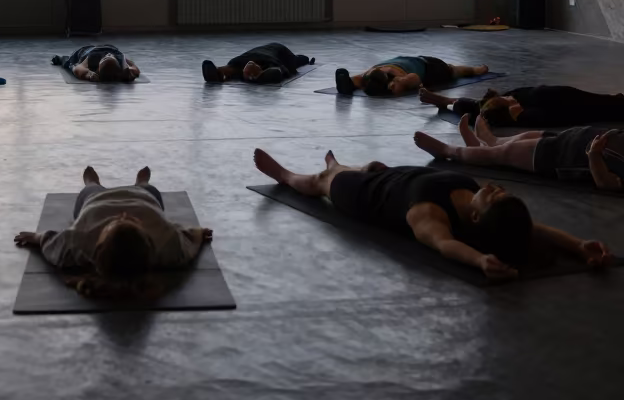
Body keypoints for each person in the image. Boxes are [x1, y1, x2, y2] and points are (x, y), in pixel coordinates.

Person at [252, 147, 612, 280]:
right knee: (372, 165)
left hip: (368, 196)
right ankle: (344, 164)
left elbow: (445, 246)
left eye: (495, 197)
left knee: (324, 180)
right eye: (500, 192)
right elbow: (534, 229)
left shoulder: (428, 216)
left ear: (476, 219)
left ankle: (286, 174)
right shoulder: (479, 203)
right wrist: (579, 245)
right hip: (400, 177)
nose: (497, 189)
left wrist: (480, 261)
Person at [14, 165, 212, 296]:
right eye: (132, 221)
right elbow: (189, 239)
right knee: (150, 188)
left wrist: (36, 237)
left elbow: (50, 242)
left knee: (91, 189)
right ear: (150, 242)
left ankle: (92, 182)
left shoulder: (78, 242)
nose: (123, 214)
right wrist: (200, 233)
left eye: (116, 222)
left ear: (98, 245)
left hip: (96, 200)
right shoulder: (167, 243)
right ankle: (141, 182)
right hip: (143, 197)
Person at [414, 115, 624, 191]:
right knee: (525, 137)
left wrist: (595, 155)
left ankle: (449, 151)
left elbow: (605, 183)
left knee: (502, 154)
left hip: (556, 158)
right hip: (568, 139)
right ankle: (490, 141)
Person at [419, 84, 624, 129]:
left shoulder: (514, 98)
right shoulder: (524, 113)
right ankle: (445, 102)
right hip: (574, 105)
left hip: (571, 98)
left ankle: (445, 101)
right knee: (469, 107)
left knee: (468, 104)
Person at [335, 55, 488, 97]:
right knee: (453, 70)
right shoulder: (375, 74)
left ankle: (474, 70)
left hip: (427, 66)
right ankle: (475, 70)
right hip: (421, 64)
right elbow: (414, 79)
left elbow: (414, 79)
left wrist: (397, 84)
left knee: (453, 70)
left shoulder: (374, 75)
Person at [201, 43, 315, 85]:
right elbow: (284, 70)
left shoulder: (272, 60)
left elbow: (281, 70)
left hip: (268, 54)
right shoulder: (280, 56)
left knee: (234, 66)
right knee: (296, 61)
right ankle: (219, 71)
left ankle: (219, 71)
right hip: (266, 56)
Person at [52, 44, 140, 83]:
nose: (108, 55)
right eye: (109, 57)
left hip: (94, 50)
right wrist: (125, 63)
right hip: (91, 50)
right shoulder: (118, 57)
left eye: (106, 57)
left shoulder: (118, 56)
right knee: (69, 64)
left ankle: (60, 59)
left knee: (71, 65)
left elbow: (78, 68)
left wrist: (88, 74)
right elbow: (135, 70)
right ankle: (61, 59)